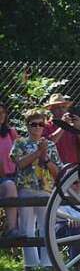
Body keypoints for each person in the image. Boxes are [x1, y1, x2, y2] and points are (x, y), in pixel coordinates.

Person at [10, 111, 61, 270]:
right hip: (26, 189)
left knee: (46, 227)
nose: (38, 127)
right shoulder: (20, 143)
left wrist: (45, 157)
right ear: (27, 126)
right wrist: (38, 152)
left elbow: (57, 171)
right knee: (27, 227)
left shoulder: (51, 145)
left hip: (46, 189)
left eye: (41, 124)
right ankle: (30, 265)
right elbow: (19, 164)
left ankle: (47, 264)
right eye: (34, 124)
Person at [42, 93, 80, 167]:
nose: (61, 110)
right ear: (51, 109)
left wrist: (77, 128)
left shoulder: (72, 126)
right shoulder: (45, 126)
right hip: (53, 169)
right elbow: (48, 144)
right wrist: (63, 126)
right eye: (57, 107)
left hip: (73, 170)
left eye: (63, 107)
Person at [0, 102, 19, 238]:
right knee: (9, 185)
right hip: (3, 179)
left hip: (15, 175)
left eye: (2, 112)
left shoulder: (10, 132)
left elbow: (21, 153)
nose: (0, 116)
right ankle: (12, 229)